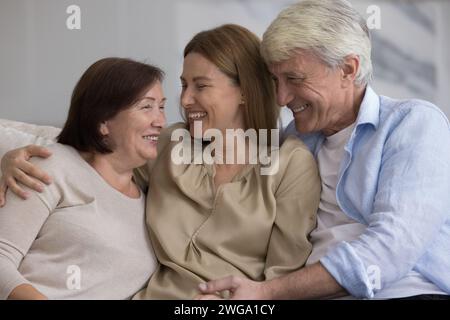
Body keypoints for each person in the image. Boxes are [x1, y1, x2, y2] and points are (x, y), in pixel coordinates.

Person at [0, 24, 321, 299]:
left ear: (244, 92)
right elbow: (98, 150)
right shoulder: (170, 144)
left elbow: (281, 287)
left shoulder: (290, 164)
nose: (184, 100)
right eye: (183, 85)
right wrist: (12, 156)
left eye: (201, 86)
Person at [196, 0, 450, 300]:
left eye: (294, 78)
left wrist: (268, 292)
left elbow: (392, 247)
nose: (281, 98)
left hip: (403, 292)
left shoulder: (412, 123)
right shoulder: (294, 141)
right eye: (275, 80)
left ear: (347, 69)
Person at [0, 57, 166, 299]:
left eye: (162, 107)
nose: (160, 121)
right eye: (146, 107)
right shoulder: (52, 164)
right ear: (103, 122)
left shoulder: (152, 199)